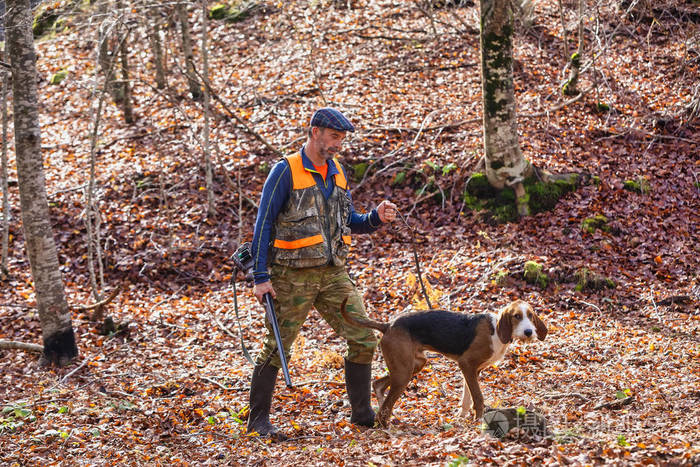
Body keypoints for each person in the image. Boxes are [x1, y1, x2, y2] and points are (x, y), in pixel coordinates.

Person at [246, 107, 398, 440]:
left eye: (341, 139)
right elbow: (264, 224)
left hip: (333, 275)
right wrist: (260, 277)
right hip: (291, 276)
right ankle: (257, 421)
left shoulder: (338, 173)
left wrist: (375, 217)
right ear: (314, 132)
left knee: (363, 337)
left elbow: (349, 221)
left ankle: (362, 415)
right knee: (277, 347)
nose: (338, 145)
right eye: (333, 137)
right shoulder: (285, 171)